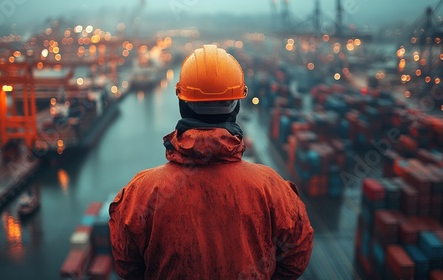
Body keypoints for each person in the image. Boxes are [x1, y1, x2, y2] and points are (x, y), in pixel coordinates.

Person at [109, 44, 313, 279]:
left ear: (182, 103)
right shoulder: (271, 188)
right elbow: (296, 256)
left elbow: (126, 265)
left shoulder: (142, 192)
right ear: (236, 106)